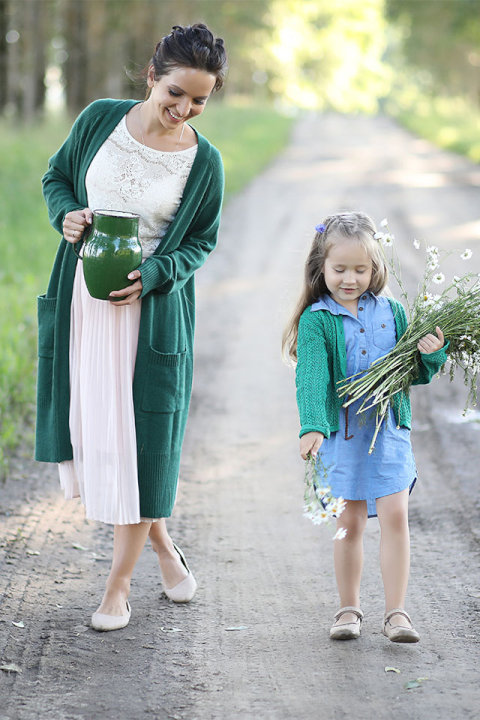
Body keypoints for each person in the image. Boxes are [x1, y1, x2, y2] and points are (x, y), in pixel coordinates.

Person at [35, 24, 227, 631]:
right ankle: (166, 551)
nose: (185, 110)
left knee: (142, 447)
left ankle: (117, 588)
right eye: (176, 93)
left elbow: (200, 242)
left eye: (200, 100)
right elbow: (56, 178)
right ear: (151, 77)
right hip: (86, 307)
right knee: (109, 443)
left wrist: (158, 272)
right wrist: (65, 214)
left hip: (150, 320)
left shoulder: (205, 160)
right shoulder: (99, 121)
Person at [283, 211, 449, 643]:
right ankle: (348, 607)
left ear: (376, 269)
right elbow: (312, 377)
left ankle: (397, 613)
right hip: (343, 434)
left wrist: (430, 354)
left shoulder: (392, 312)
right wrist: (312, 425)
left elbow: (410, 372)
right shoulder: (317, 320)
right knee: (349, 522)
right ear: (321, 268)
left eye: (360, 269)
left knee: (396, 515)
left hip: (388, 430)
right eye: (340, 269)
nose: (350, 279)